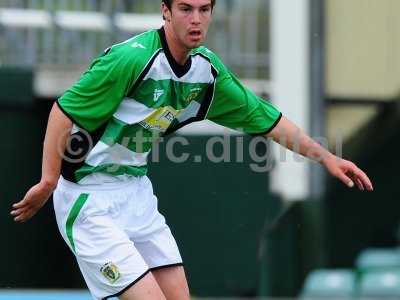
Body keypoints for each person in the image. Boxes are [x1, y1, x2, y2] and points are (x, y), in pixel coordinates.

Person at [11, 0, 373, 299]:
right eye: (185, 8)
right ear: (165, 11)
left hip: (136, 194)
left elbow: (268, 120)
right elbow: (63, 111)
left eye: (204, 9)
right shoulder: (131, 59)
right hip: (88, 200)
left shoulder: (206, 73)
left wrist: (326, 157)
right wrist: (48, 180)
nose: (196, 19)